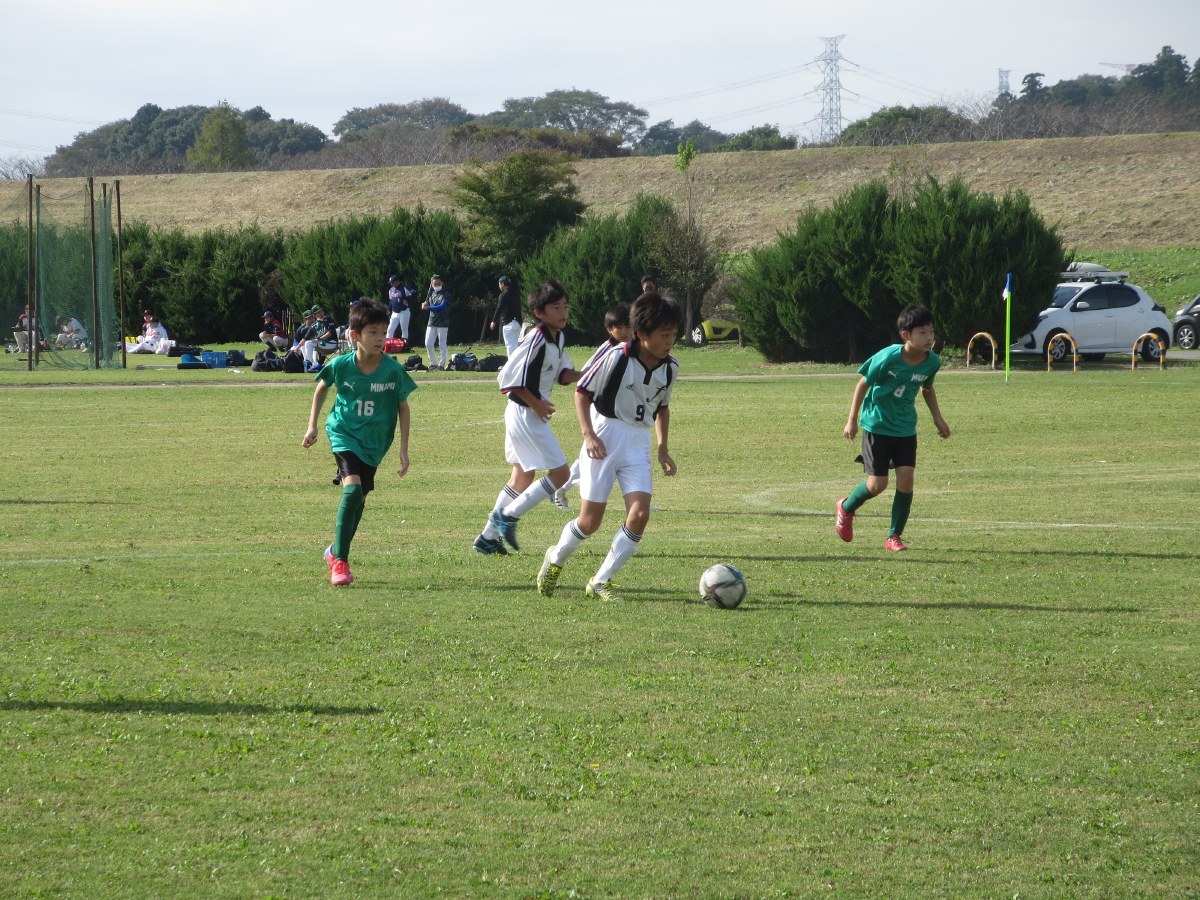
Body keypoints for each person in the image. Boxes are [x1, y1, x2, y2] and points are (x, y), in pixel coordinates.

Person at [537, 291, 682, 602]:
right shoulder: (617, 357)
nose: (670, 341)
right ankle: (556, 557)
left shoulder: (671, 367)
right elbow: (581, 392)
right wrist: (589, 434)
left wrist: (663, 448)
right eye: (664, 334)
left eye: (673, 334)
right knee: (590, 522)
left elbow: (662, 408)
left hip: (638, 443)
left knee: (640, 514)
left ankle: (600, 580)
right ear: (642, 334)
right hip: (605, 437)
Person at [301, 298, 417, 586]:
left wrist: (403, 450)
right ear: (355, 335)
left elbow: (403, 407)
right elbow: (322, 387)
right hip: (344, 434)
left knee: (360, 498)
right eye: (372, 332)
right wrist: (312, 426)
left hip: (375, 443)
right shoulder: (341, 365)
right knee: (352, 491)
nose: (380, 338)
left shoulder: (392, 370)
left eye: (383, 332)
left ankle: (334, 551)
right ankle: (340, 563)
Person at [472, 278, 581, 556]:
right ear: (539, 313)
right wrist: (537, 404)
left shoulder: (558, 338)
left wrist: (589, 374)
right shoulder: (536, 338)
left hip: (525, 413)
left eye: (565, 306)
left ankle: (487, 538)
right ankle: (507, 517)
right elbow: (510, 379)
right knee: (561, 474)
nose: (563, 312)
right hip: (524, 412)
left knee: (522, 475)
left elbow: (563, 375)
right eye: (556, 307)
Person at [835, 304, 951, 552]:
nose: (929, 337)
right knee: (877, 485)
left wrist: (938, 418)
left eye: (931, 331)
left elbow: (927, 388)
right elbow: (863, 385)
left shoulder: (932, 362)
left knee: (906, 481)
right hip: (877, 426)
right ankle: (846, 507)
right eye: (922, 332)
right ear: (906, 335)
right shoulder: (888, 357)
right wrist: (852, 420)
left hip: (906, 428)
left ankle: (894, 536)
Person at [552, 302, 632, 512]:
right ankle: (561, 488)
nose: (625, 332)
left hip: (619, 410)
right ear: (609, 329)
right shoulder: (607, 350)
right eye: (619, 328)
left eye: (628, 327)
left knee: (605, 453)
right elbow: (585, 378)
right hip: (600, 409)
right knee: (592, 453)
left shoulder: (631, 347)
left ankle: (637, 496)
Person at [422, 274, 451, 370]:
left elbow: (442, 306)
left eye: (439, 283)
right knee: (428, 343)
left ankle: (441, 364)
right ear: (432, 284)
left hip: (443, 323)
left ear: (442, 283)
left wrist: (428, 308)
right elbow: (427, 304)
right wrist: (425, 305)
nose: (437, 285)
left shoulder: (446, 294)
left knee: (442, 343)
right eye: (435, 284)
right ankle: (433, 363)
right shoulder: (431, 294)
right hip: (432, 321)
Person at [489, 275, 522, 356]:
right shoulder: (516, 293)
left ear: (503, 284)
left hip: (508, 323)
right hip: (518, 323)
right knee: (516, 346)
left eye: (499, 284)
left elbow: (499, 308)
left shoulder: (503, 294)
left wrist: (493, 321)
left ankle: (512, 364)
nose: (499, 286)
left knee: (510, 346)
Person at [302, 304, 339, 372]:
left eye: (321, 311)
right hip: (323, 344)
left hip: (332, 343)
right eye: (318, 312)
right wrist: (297, 348)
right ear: (315, 315)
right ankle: (314, 364)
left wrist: (318, 339)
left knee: (310, 343)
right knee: (306, 343)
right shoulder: (314, 325)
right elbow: (305, 338)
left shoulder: (328, 319)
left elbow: (330, 332)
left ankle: (310, 364)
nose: (321, 313)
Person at [386, 274, 416, 342]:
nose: (391, 284)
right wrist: (388, 310)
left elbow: (413, 292)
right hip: (394, 312)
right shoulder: (391, 290)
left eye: (393, 282)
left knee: (404, 329)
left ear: (397, 281)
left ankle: (404, 344)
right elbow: (391, 301)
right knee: (390, 329)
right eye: (391, 283)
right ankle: (388, 344)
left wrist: (407, 298)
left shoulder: (404, 287)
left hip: (404, 311)